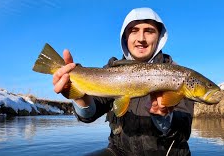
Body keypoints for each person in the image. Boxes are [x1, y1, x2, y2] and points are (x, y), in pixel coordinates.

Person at [53, 8, 194, 156]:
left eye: (149, 31)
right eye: (134, 30)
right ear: (125, 37)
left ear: (159, 37)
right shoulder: (111, 69)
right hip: (119, 151)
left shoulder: (177, 74)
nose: (141, 38)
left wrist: (163, 117)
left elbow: (183, 132)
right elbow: (88, 115)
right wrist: (78, 94)